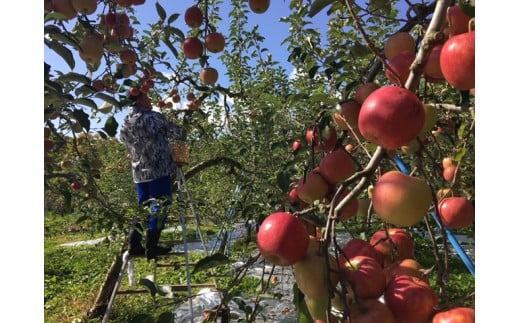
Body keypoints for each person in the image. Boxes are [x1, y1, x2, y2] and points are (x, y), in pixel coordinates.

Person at [120, 90, 185, 259]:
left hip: (139, 172)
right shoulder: (153, 118)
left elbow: (125, 141)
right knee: (160, 207)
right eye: (147, 97)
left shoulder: (126, 121)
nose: (150, 100)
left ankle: (134, 244)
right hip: (158, 169)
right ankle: (151, 247)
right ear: (140, 99)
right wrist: (183, 120)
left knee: (143, 207)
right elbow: (178, 133)